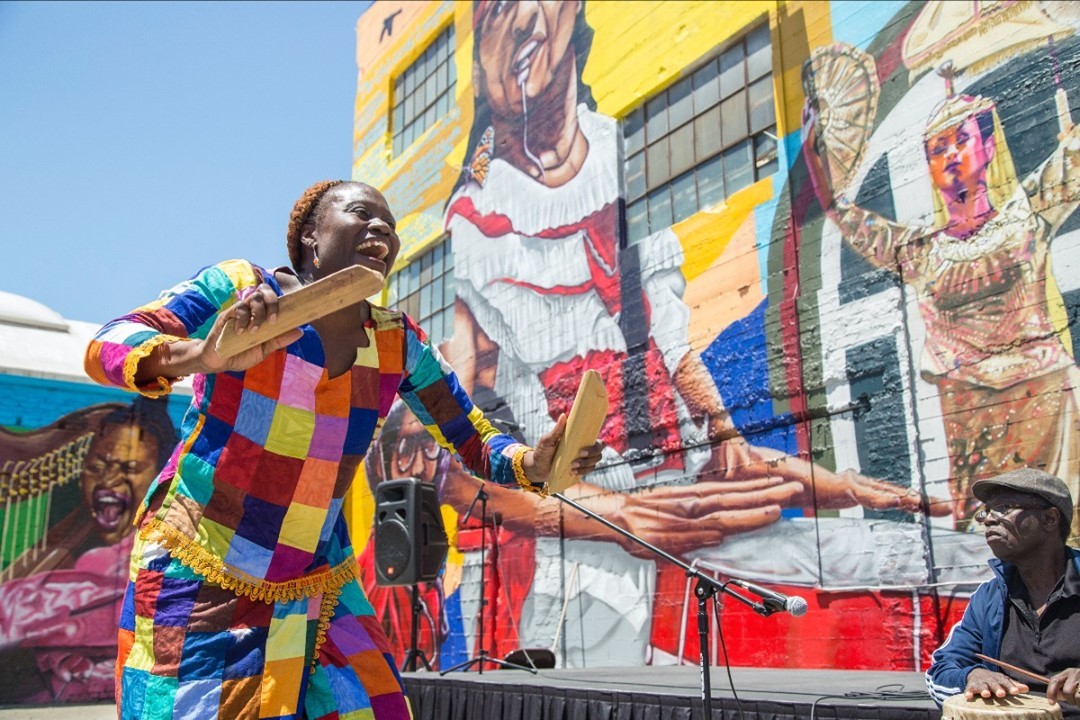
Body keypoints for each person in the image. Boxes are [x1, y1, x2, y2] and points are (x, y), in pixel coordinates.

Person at [437, 0, 944, 664]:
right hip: (572, 509)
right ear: (478, 54)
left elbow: (676, 352)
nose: (526, 19)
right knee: (578, 658)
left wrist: (730, 435)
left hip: (637, 496)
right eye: (499, 8)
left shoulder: (620, 169)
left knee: (757, 507)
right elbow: (455, 468)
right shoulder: (474, 228)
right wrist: (601, 513)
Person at [83, 179, 602, 720]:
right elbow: (110, 342)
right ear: (311, 234)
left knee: (375, 707)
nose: (382, 228)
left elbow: (469, 433)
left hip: (317, 577)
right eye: (360, 213)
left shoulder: (396, 341)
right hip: (205, 562)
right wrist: (200, 355)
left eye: (391, 225)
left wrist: (531, 464)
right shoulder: (241, 288)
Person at [804, 61, 1080, 536]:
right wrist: (816, 152)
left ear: (989, 145)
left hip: (1045, 409)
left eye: (962, 139)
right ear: (927, 166)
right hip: (970, 425)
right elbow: (842, 215)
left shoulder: (1027, 212)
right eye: (936, 148)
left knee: (1059, 535)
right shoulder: (920, 250)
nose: (950, 153)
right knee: (986, 541)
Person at [926, 468, 1080, 715]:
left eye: (1004, 508)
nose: (988, 519)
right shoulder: (990, 597)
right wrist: (969, 676)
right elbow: (940, 670)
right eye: (986, 511)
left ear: (1050, 519)